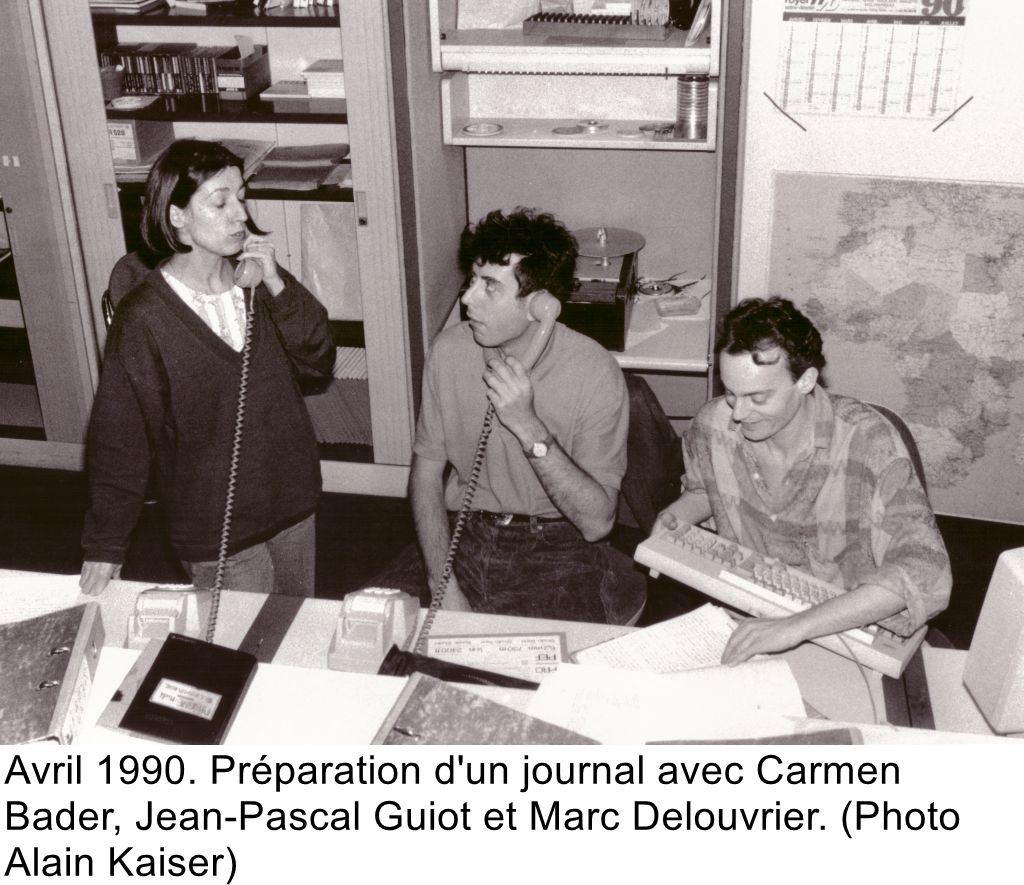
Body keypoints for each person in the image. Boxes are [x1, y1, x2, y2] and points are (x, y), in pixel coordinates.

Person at [80, 139, 334, 597]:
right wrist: (106, 542)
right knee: (241, 654)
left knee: (297, 636)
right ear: (178, 217)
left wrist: (276, 283)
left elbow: (318, 361)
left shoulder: (258, 282)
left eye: (241, 196)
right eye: (220, 203)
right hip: (215, 522)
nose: (240, 213)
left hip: (291, 502)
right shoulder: (145, 319)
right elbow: (121, 436)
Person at [656, 296, 951, 663]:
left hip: (843, 632)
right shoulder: (712, 424)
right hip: (746, 622)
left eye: (758, 397)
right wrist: (674, 520)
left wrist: (795, 626)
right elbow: (705, 489)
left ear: (806, 380)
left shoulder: (867, 441)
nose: (739, 413)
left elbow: (924, 571)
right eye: (730, 393)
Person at [410, 208, 641, 624]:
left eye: (490, 288)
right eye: (472, 281)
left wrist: (528, 426)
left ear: (540, 305)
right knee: (385, 644)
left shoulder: (594, 372)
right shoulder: (449, 351)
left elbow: (596, 522)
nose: (467, 299)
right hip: (465, 530)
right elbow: (427, 475)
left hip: (557, 543)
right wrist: (440, 583)